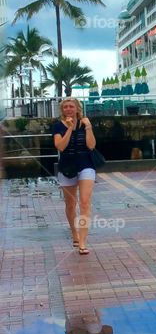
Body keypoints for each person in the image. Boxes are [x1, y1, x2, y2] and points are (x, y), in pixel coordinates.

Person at [52, 97, 97, 254]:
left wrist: (89, 127)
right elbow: (60, 146)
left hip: (86, 165)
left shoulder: (85, 124)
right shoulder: (58, 126)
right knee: (71, 204)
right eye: (65, 107)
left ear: (78, 108)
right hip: (67, 166)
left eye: (71, 106)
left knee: (84, 203)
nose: (68, 109)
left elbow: (91, 145)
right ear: (62, 110)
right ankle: (74, 233)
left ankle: (83, 242)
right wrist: (70, 129)